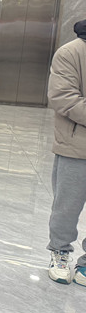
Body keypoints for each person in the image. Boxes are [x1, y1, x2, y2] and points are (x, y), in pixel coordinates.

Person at [46, 19, 86, 285]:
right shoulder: (71, 52)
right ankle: (60, 252)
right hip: (76, 145)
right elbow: (63, 97)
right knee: (67, 206)